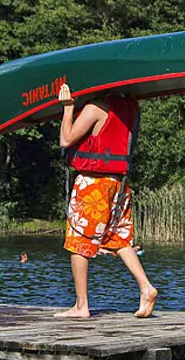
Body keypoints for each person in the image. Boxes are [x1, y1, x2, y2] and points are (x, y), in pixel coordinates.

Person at [58, 83, 157, 319]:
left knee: (78, 240)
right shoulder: (129, 106)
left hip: (93, 184)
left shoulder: (96, 107)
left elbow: (66, 139)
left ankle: (81, 306)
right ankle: (146, 287)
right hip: (118, 183)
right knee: (118, 237)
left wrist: (68, 108)